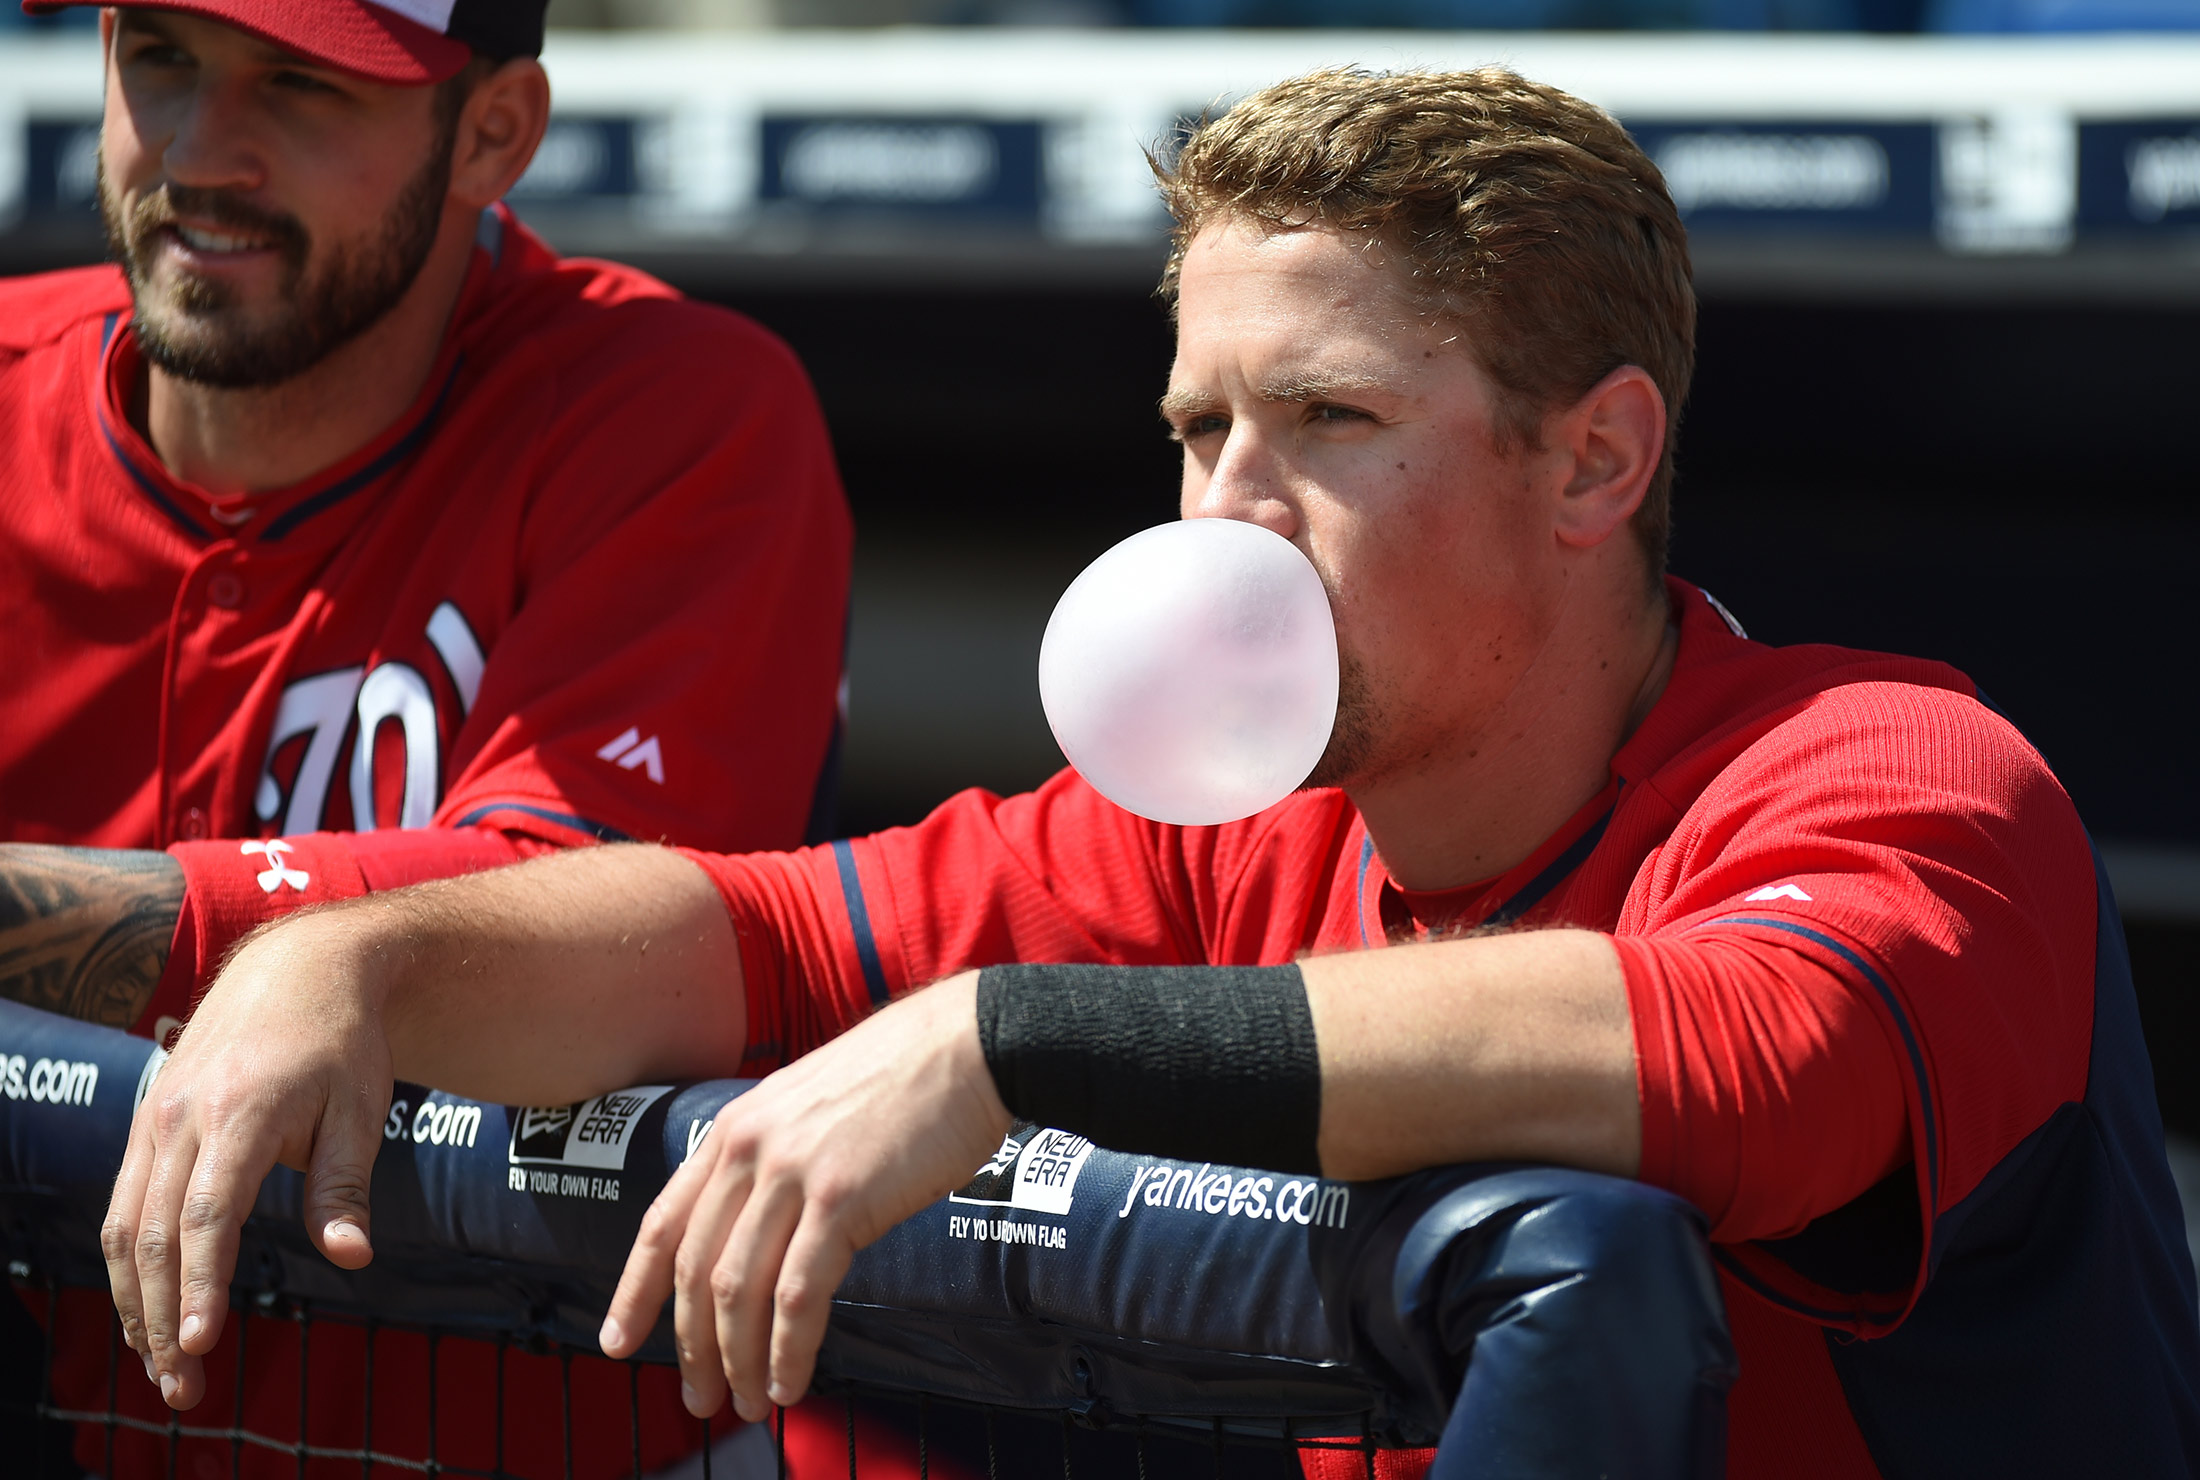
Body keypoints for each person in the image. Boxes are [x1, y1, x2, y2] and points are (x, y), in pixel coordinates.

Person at [95, 66, 2200, 1478]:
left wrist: (1012, 1039)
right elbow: (742, 927)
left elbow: (1750, 1046)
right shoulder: (1206, 834)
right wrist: (340, 959)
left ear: (1595, 457)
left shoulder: (1902, 767)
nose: (1226, 509)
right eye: (1199, 429)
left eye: (1329, 421)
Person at [0, 0, 852, 1473]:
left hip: (515, 1431)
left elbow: (595, 922)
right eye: (162, 60)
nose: (204, 155)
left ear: (494, 132)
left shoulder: (675, 409)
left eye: (303, 89)